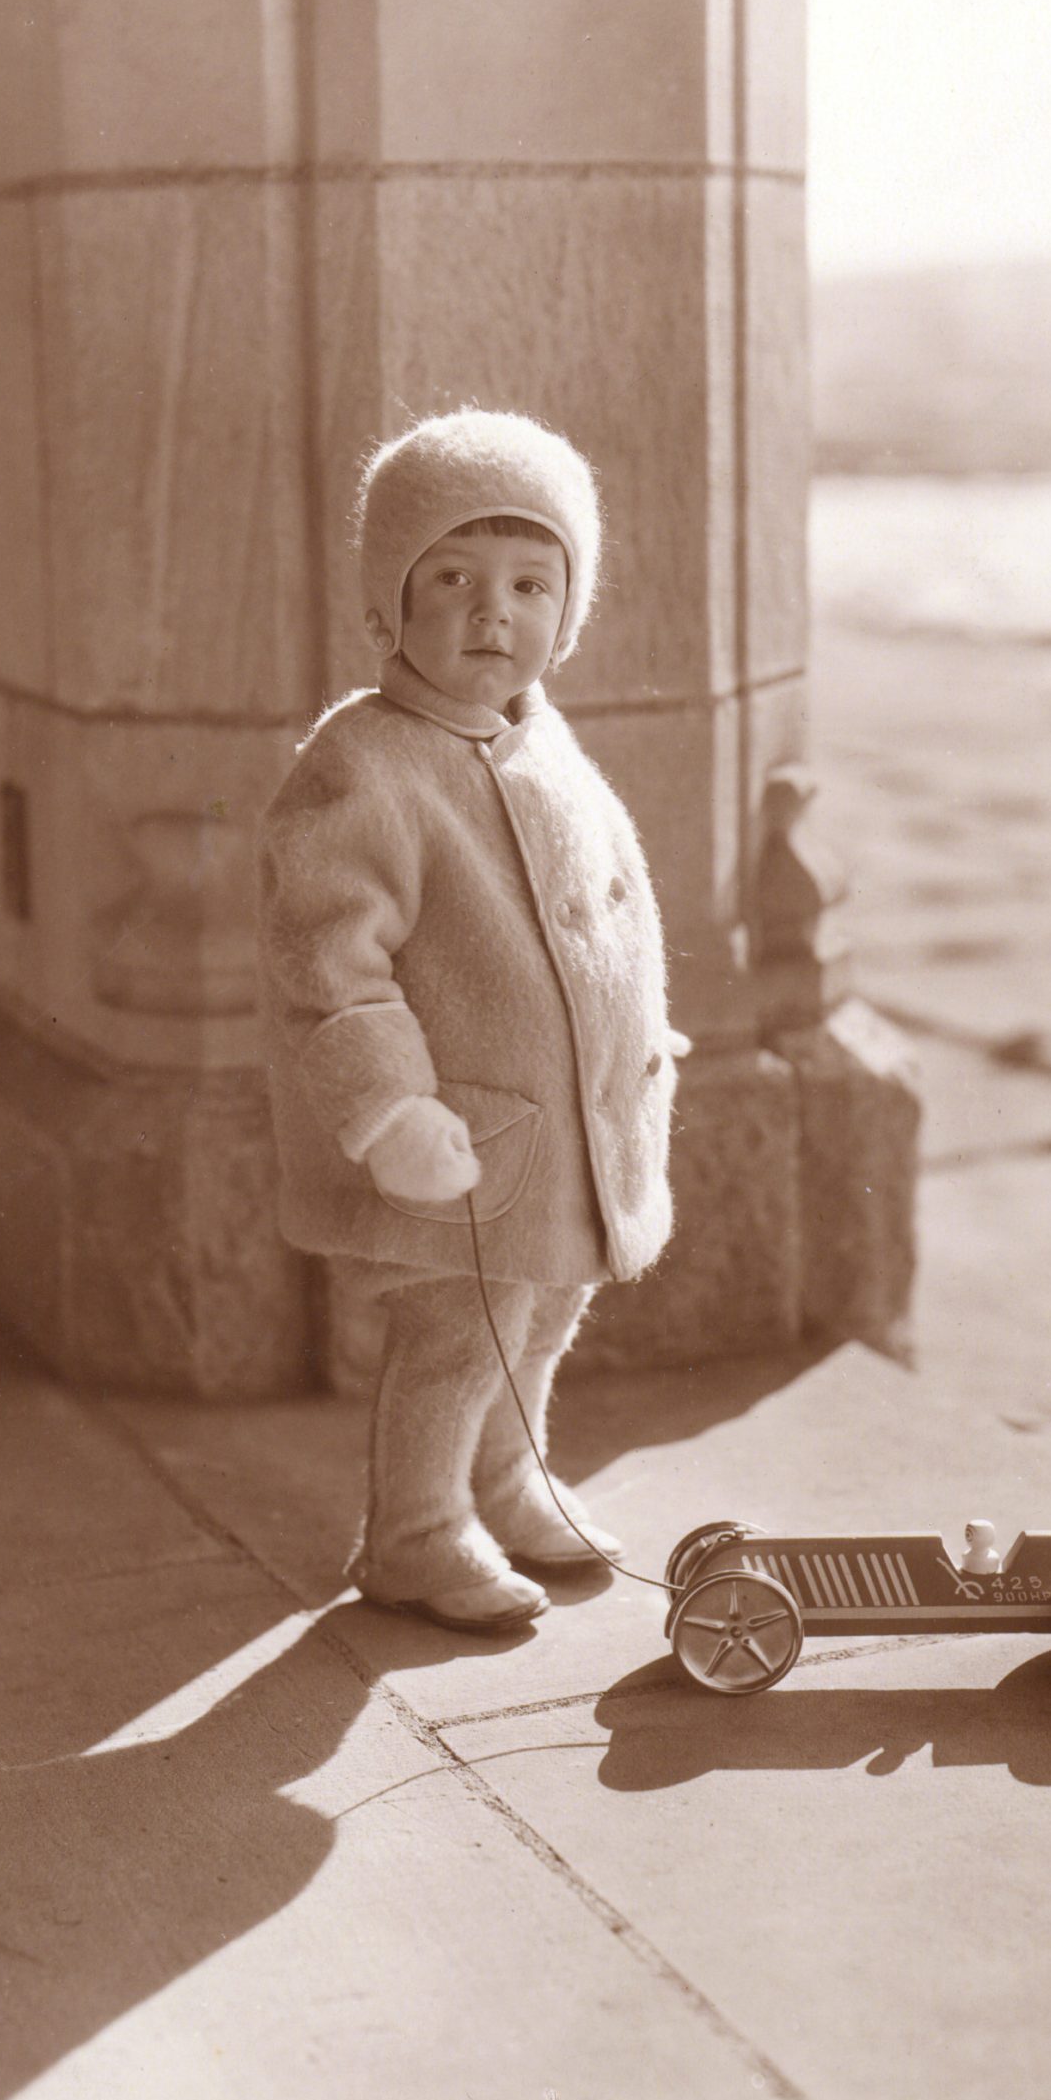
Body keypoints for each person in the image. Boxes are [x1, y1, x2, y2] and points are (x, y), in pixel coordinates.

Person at [257, 409, 683, 1632]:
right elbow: (328, 957)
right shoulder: (365, 764)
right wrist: (388, 1104)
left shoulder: (542, 742)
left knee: (544, 1310)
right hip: (464, 1133)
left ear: (569, 606)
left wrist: (637, 1050)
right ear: (387, 607)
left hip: (570, 1127)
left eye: (529, 584)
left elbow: (600, 916)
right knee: (458, 1332)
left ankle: (508, 1477)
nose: (493, 614)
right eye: (450, 579)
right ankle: (413, 1530)